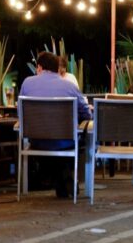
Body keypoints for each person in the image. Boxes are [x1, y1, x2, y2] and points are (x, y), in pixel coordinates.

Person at [19, 52, 91, 198]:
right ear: (57, 68)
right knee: (83, 134)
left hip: (36, 141)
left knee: (56, 143)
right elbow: (86, 114)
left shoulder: (27, 83)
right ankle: (70, 180)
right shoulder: (70, 86)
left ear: (39, 67)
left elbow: (21, 112)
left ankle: (59, 180)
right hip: (64, 141)